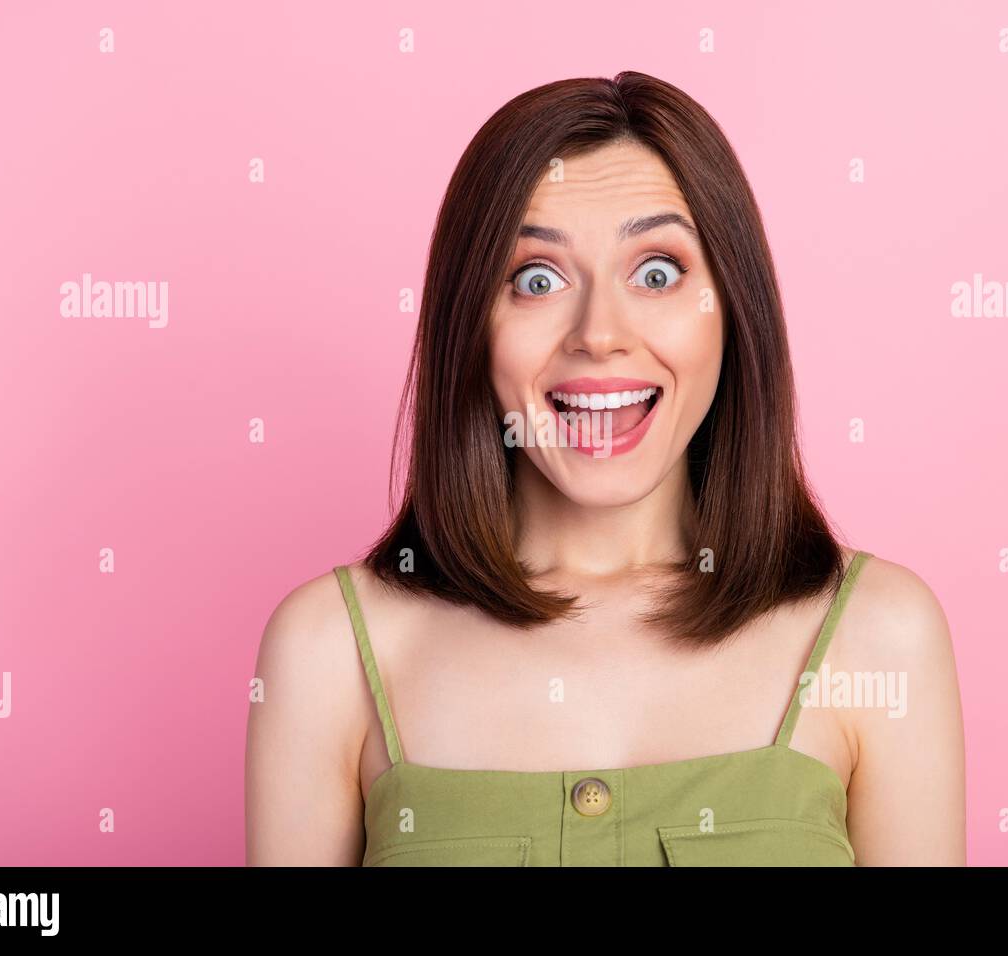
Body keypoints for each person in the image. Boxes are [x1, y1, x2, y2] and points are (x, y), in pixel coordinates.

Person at [246, 71, 965, 866]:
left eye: (656, 273)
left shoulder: (879, 637)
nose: (598, 334)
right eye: (536, 279)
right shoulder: (327, 653)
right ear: (471, 325)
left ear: (733, 310)